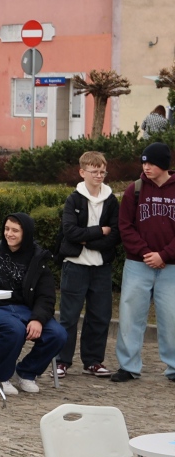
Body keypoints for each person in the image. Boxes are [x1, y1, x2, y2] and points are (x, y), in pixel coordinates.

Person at [0, 213, 68, 396]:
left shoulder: (38, 259)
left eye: (15, 230)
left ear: (25, 233)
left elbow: (46, 296)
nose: (9, 234)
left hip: (27, 310)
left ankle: (27, 372)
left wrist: (38, 320)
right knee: (15, 330)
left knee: (58, 334)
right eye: (6, 229)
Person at [114, 142, 175, 382]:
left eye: (151, 163)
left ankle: (173, 368)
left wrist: (165, 255)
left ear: (163, 164)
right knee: (130, 315)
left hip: (171, 266)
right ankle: (128, 366)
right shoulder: (135, 189)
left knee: (171, 317)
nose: (146, 167)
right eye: (144, 162)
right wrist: (146, 253)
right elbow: (125, 226)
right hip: (138, 264)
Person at [57, 151, 119, 379]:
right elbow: (70, 232)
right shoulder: (74, 199)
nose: (100, 175)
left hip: (101, 267)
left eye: (103, 171)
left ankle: (93, 361)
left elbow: (115, 234)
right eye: (95, 171)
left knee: (100, 315)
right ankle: (62, 361)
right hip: (75, 265)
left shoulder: (111, 200)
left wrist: (87, 240)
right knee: (69, 316)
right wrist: (98, 233)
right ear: (82, 172)